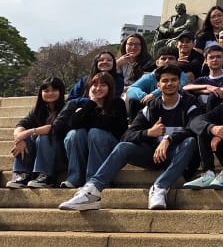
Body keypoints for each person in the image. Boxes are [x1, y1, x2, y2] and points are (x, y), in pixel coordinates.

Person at [59, 65, 202, 211]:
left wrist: (168, 139)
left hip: (177, 155)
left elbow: (195, 127)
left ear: (179, 83)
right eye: (165, 81)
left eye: (174, 80)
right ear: (158, 85)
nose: (170, 84)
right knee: (123, 147)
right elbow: (127, 135)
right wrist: (148, 133)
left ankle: (160, 187)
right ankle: (91, 191)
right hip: (153, 155)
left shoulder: (189, 103)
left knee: (189, 141)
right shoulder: (151, 107)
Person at [53, 72, 129, 191]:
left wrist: (85, 115)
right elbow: (73, 124)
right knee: (74, 134)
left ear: (110, 87)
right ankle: (75, 178)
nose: (98, 88)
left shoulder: (117, 103)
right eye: (95, 85)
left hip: (110, 146)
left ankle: (94, 180)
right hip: (88, 145)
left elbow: (105, 124)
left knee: (95, 132)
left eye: (103, 85)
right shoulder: (86, 104)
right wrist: (92, 103)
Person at [8, 78, 66, 189]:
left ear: (61, 91)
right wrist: (20, 138)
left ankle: (46, 176)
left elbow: (53, 127)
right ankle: (22, 174)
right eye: (46, 90)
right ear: (41, 93)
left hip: (60, 155)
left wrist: (28, 132)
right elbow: (21, 124)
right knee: (26, 138)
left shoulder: (67, 107)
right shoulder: (38, 110)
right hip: (40, 153)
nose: (50, 93)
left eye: (54, 90)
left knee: (42, 137)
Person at [125, 44, 188, 117]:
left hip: (173, 107)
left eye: (171, 58)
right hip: (153, 107)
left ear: (177, 62)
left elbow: (179, 87)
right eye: (163, 59)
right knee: (133, 101)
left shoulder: (181, 75)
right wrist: (144, 97)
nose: (167, 61)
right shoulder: (150, 76)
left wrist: (154, 94)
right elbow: (132, 89)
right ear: (157, 63)